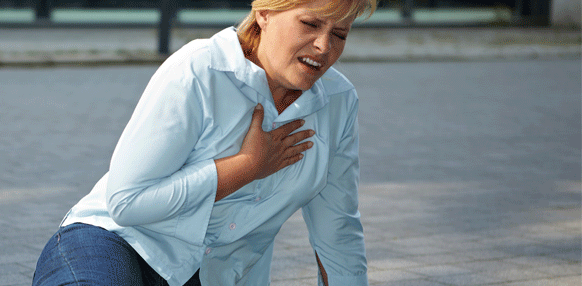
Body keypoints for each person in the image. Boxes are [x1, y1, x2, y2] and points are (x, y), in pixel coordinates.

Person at [32, 0, 377, 285]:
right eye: (310, 24)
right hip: (116, 243)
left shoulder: (338, 101)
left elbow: (338, 233)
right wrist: (245, 167)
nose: (324, 46)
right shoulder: (200, 69)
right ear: (265, 14)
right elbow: (127, 202)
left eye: (340, 34)